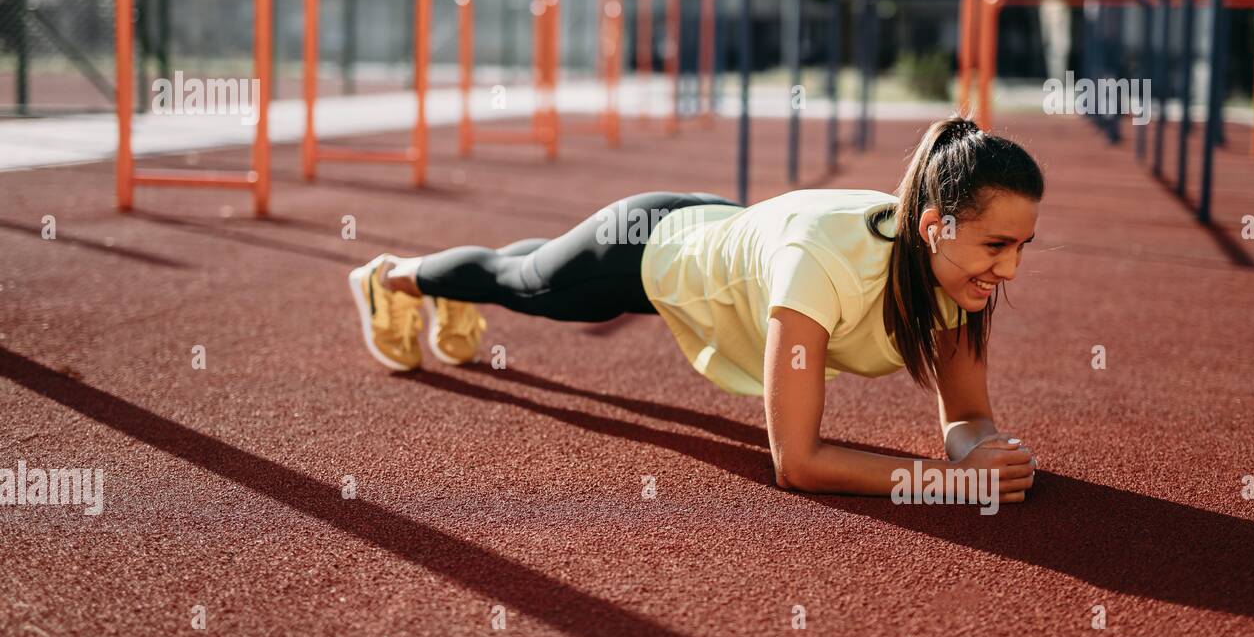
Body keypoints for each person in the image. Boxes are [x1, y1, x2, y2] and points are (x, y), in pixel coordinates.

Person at [347, 115, 1042, 501]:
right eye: (997, 245)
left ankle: (450, 286)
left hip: (727, 232)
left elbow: (966, 415)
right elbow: (796, 463)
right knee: (523, 281)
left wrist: (984, 451)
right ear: (934, 228)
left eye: (1023, 246)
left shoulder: (957, 277)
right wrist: (947, 484)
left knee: (541, 266)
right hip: (653, 250)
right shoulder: (821, 269)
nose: (1009, 269)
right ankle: (395, 277)